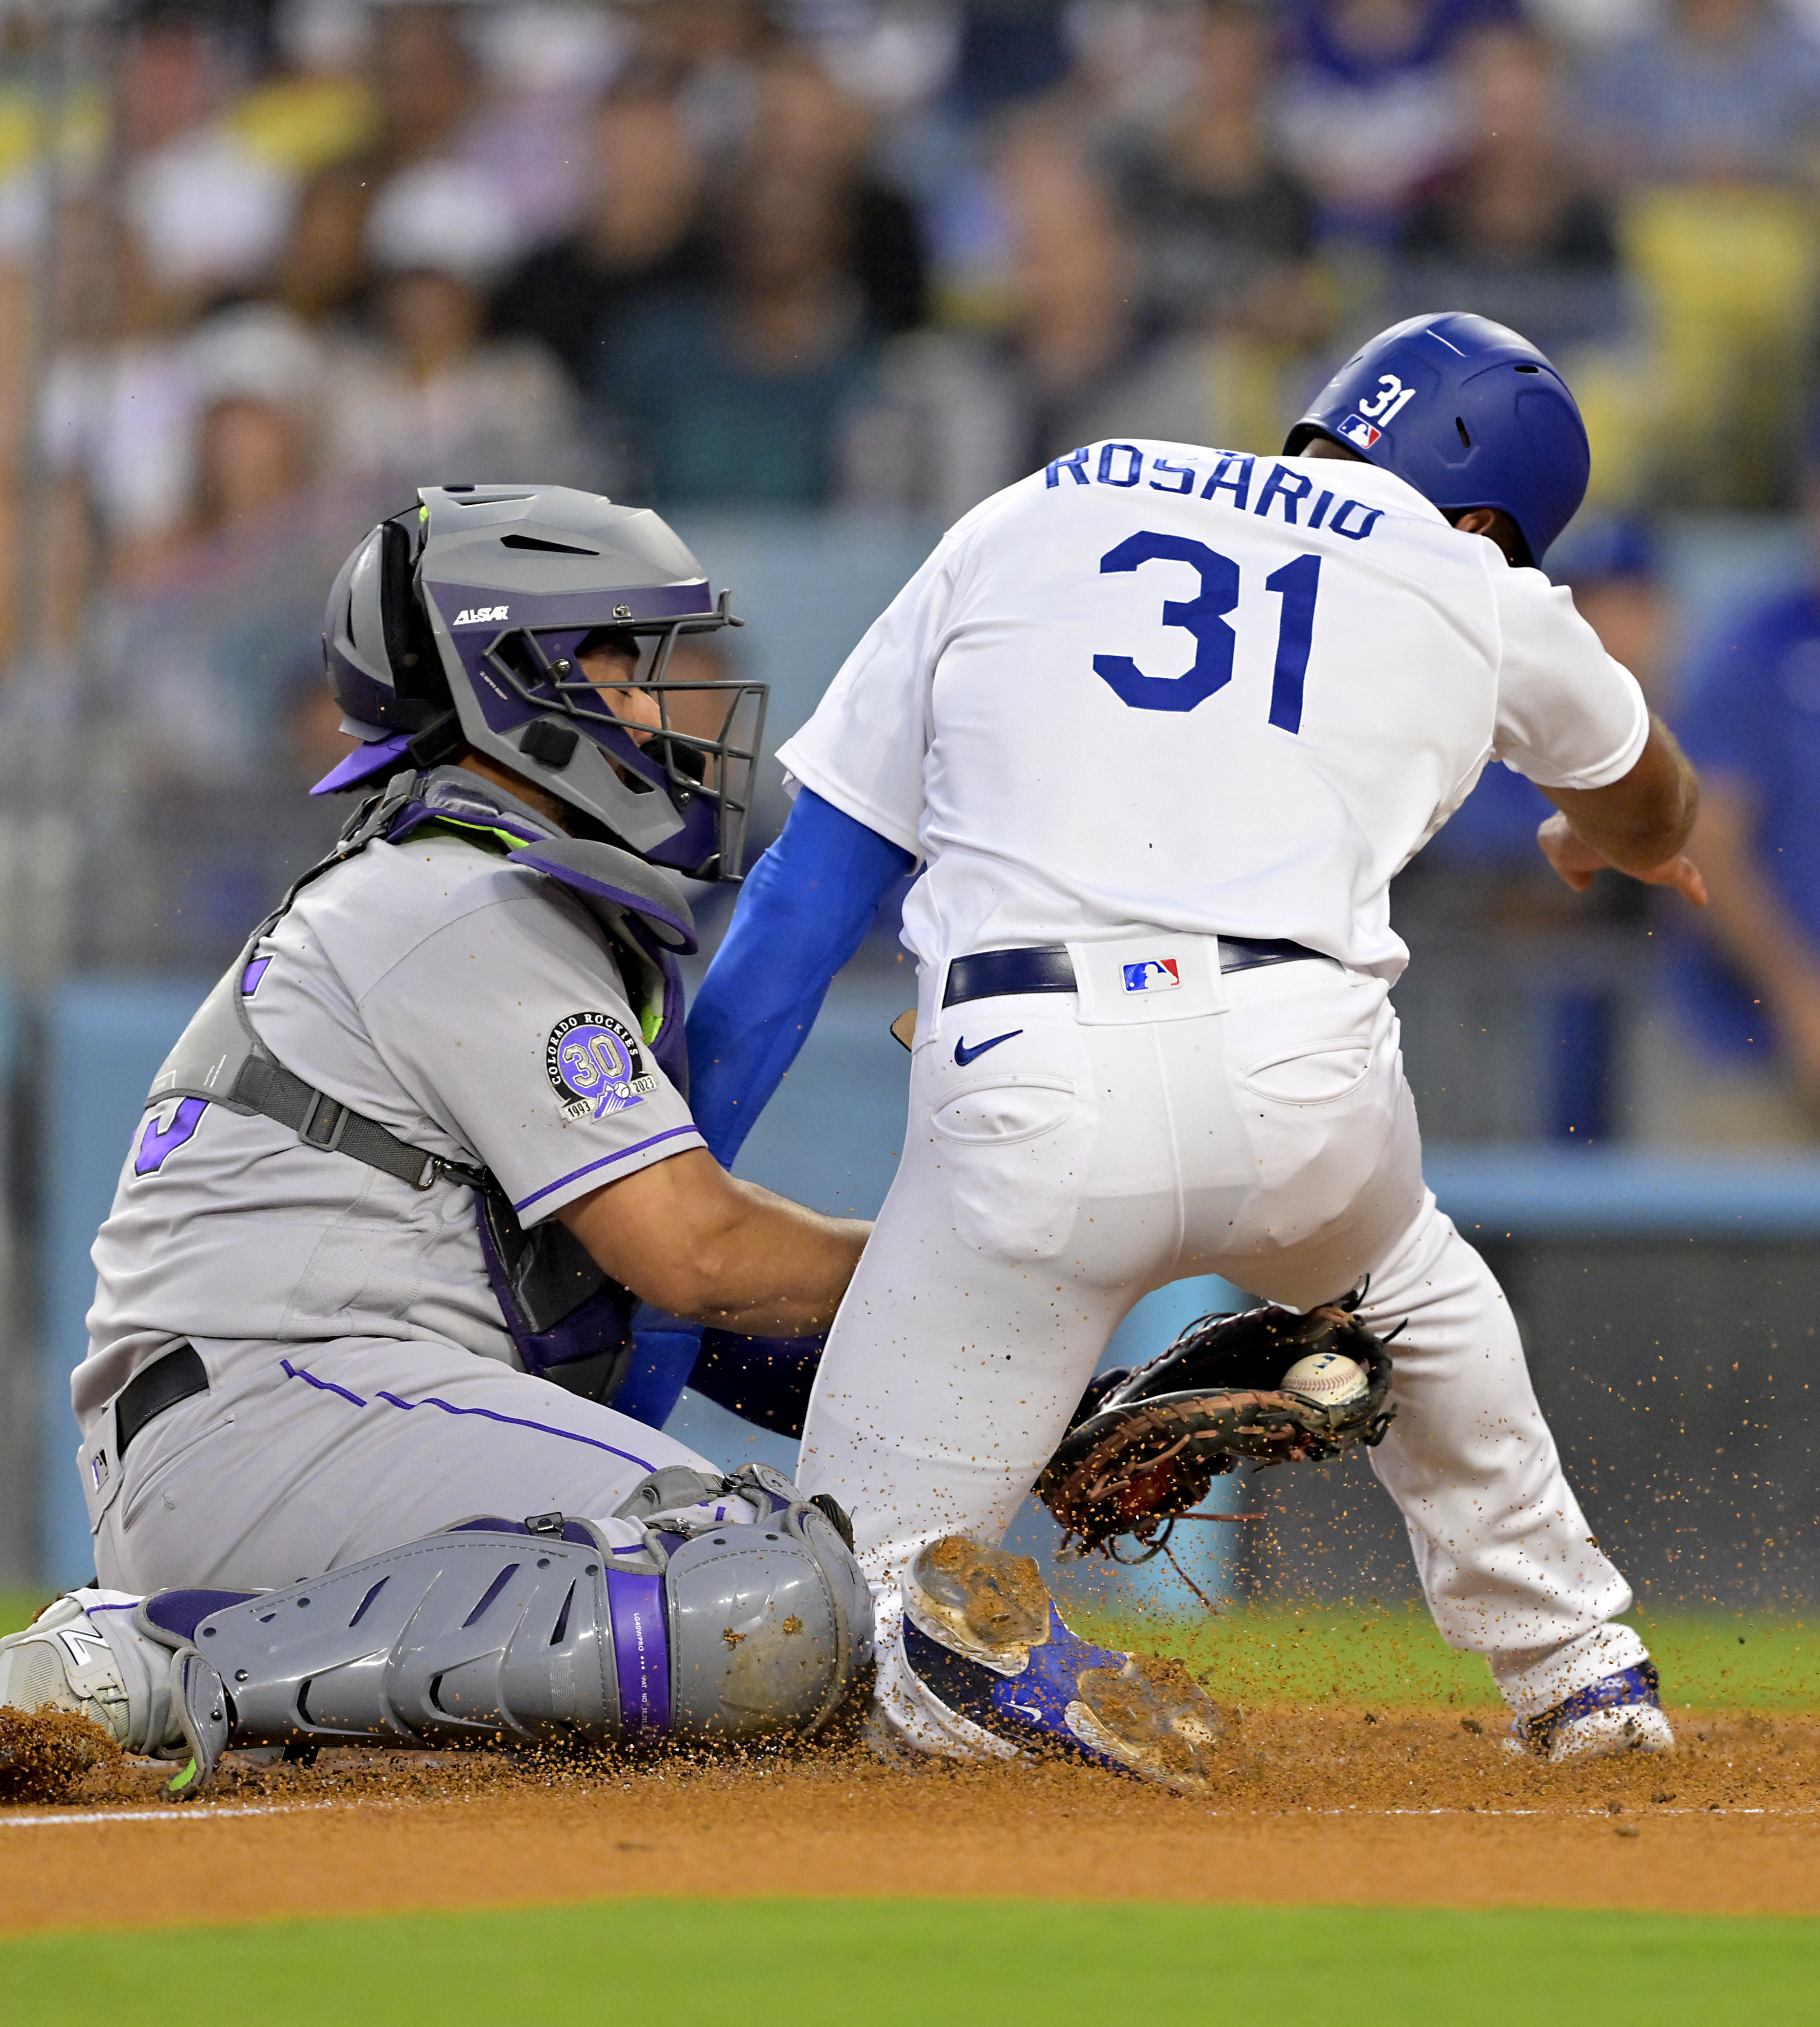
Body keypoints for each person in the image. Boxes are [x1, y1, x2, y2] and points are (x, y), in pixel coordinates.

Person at [683, 313, 1708, 1772]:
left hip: (1026, 1072)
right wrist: (1594, 832)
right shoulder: (1469, 583)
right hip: (1302, 1072)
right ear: (1489, 519)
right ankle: (1581, 1671)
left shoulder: (1048, 500)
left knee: (863, 1600)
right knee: (1418, 1287)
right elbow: (1654, 801)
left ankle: (964, 1675)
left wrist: (668, 1188)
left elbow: (804, 904)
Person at [0, 485, 880, 1774]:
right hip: (281, 1412)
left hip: (299, 1427)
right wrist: (957, 1268)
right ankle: (133, 1669)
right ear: (509, 675)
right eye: (617, 664)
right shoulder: (461, 901)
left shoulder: (469, 889)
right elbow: (694, 1255)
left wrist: (1049, 1392)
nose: (656, 705)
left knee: (726, 1660)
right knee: (753, 1581)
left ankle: (240, 1687)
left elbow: (681, 1325)